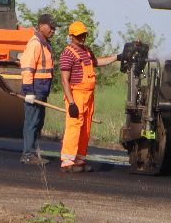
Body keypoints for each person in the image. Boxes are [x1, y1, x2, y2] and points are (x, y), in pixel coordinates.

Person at [58, 20, 119, 172]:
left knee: (85, 127)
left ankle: (79, 159)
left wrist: (116, 57)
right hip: (76, 95)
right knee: (74, 127)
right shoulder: (67, 53)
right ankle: (67, 162)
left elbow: (96, 62)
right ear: (71, 36)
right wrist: (71, 103)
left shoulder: (86, 51)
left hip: (88, 96)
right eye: (79, 36)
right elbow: (65, 80)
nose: (82, 38)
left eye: (84, 35)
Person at [19, 13, 57, 164]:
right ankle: (28, 154)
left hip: (41, 91)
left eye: (54, 28)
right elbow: (27, 68)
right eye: (51, 27)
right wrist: (29, 91)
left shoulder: (45, 43)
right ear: (41, 26)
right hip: (34, 90)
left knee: (38, 122)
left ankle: (32, 152)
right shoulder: (35, 43)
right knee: (32, 122)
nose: (53, 30)